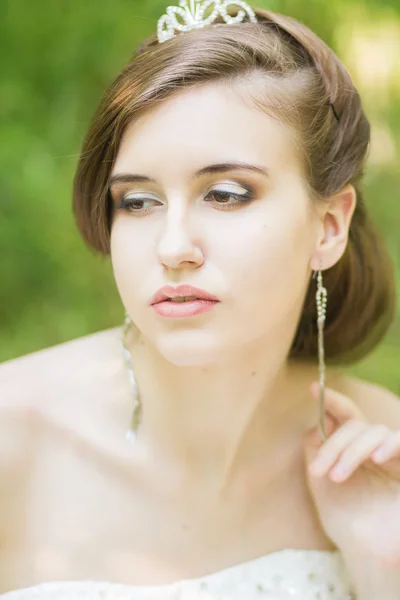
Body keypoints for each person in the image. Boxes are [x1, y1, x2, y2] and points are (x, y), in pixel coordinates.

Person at [1, 2, 400, 598]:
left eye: (227, 194)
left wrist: (384, 566)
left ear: (328, 227)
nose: (173, 246)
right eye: (137, 201)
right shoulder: (13, 437)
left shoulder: (384, 452)